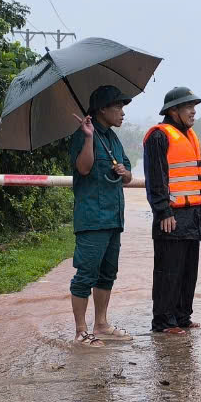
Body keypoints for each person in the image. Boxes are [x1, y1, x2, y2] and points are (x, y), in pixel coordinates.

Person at [66, 85, 135, 347]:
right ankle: (81, 331)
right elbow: (83, 169)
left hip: (114, 217)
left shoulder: (113, 139)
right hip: (92, 218)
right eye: (117, 107)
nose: (122, 113)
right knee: (86, 273)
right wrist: (87, 137)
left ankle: (102, 324)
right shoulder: (84, 134)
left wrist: (123, 172)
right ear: (102, 109)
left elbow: (127, 174)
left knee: (108, 273)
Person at [143, 87, 201, 335]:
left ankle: (182, 317)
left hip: (193, 215)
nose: (193, 112)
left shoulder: (191, 136)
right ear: (173, 110)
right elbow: (155, 179)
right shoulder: (159, 136)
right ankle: (164, 322)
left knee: (187, 270)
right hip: (171, 216)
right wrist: (163, 212)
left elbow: (198, 173)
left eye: (194, 107)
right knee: (168, 270)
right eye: (188, 107)